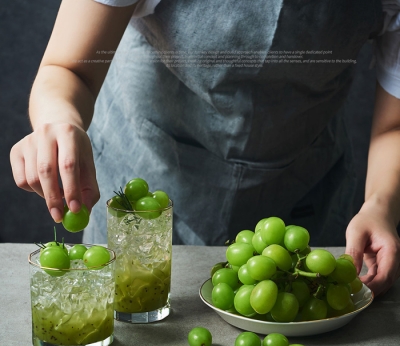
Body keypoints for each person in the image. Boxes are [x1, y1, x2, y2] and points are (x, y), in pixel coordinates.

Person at [9, 0, 400, 296]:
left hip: (308, 192)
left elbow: (393, 124)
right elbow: (68, 69)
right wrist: (58, 122)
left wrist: (380, 205)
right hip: (147, 171)